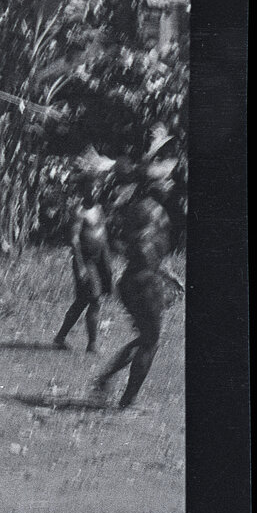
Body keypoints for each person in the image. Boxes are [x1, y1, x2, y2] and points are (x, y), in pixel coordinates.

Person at [93, 162, 183, 408]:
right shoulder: (149, 211)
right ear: (153, 185)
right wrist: (156, 274)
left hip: (135, 281)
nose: (169, 185)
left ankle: (107, 380)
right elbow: (139, 249)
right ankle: (126, 402)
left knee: (146, 338)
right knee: (150, 341)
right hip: (143, 283)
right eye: (165, 181)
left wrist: (165, 272)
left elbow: (136, 249)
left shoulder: (145, 210)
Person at [53, 170, 114, 352]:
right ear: (84, 190)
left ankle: (60, 337)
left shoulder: (99, 209)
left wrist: (107, 264)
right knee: (94, 298)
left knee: (83, 301)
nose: (94, 191)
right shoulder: (79, 211)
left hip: (99, 260)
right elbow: (74, 240)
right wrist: (80, 266)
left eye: (97, 188)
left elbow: (103, 237)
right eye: (91, 188)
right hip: (85, 261)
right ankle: (92, 343)